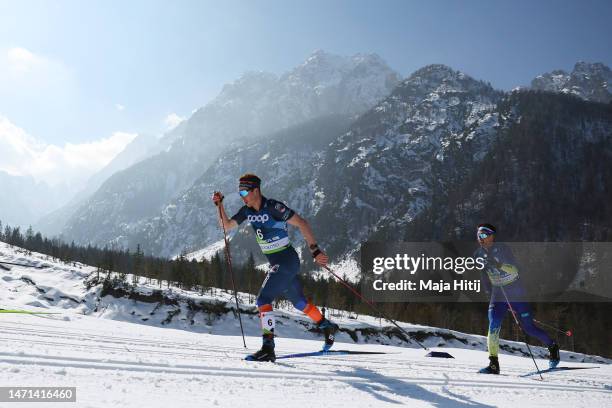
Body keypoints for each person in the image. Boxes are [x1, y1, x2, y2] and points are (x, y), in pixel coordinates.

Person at [212, 173, 338, 362]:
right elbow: (227, 225)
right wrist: (219, 205)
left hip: (286, 260)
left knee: (263, 298)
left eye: (245, 191)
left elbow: (302, 223)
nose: (242, 196)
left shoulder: (273, 207)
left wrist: (315, 251)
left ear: (256, 190)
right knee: (299, 303)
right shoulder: (247, 211)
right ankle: (326, 325)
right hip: (277, 263)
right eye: (240, 193)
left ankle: (268, 348)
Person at [474, 223, 560, 374]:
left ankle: (552, 346)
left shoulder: (503, 249)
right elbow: (483, 275)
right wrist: (488, 291)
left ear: (491, 236)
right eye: (478, 235)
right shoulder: (477, 254)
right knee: (493, 324)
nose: (480, 239)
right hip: (498, 293)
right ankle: (493, 364)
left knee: (528, 328)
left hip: (515, 291)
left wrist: (498, 264)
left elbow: (515, 271)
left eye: (483, 235)